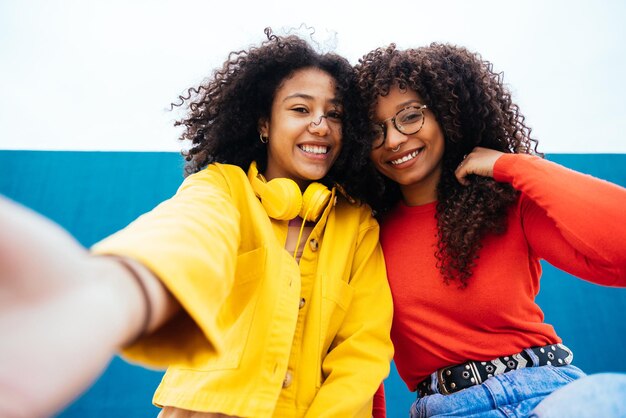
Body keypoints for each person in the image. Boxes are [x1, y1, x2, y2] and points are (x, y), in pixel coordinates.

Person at [0, 29, 394, 418]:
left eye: (335, 114)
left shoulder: (357, 225)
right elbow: (185, 236)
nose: (320, 125)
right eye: (300, 109)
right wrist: (116, 288)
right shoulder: (221, 188)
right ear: (264, 124)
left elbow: (362, 352)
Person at [354, 43, 626, 417]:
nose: (394, 139)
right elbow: (360, 360)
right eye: (374, 130)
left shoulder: (506, 203)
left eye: (410, 116)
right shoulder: (366, 234)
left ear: (447, 115)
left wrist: (512, 166)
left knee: (614, 394)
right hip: (449, 408)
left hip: (550, 391)